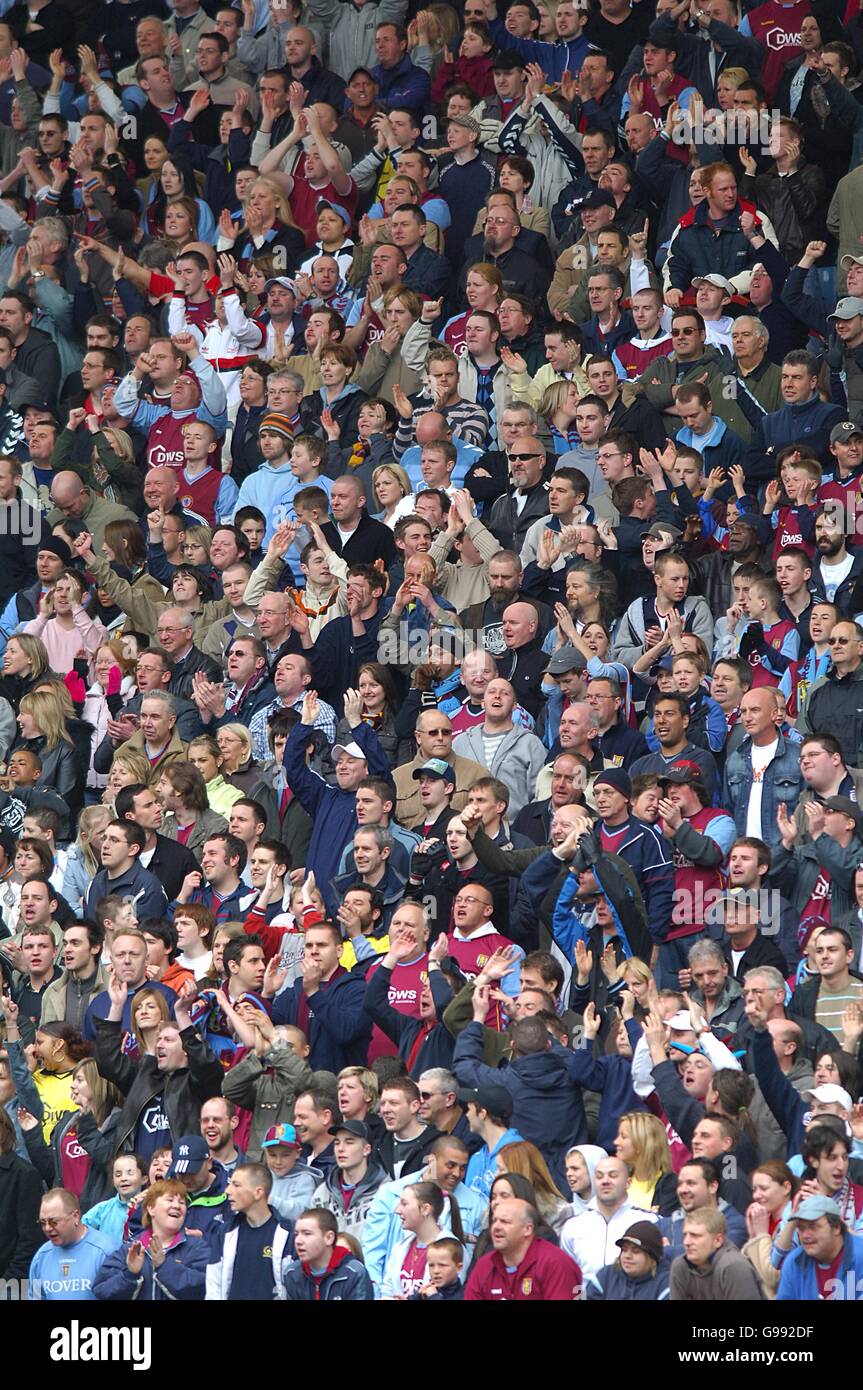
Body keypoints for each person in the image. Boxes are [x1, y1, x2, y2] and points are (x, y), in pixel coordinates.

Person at [464, 1197, 582, 1300]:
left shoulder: (555, 1263)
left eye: (505, 1221)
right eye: (494, 1221)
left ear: (527, 1229)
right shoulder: (485, 1265)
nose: (496, 1227)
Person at [205, 1164, 292, 1300]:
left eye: (236, 1185)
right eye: (229, 1184)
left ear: (258, 1192)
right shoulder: (225, 1232)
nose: (228, 1191)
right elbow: (214, 1285)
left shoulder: (288, 1235)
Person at [30, 1188, 115, 1300]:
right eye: (43, 1223)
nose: (47, 1228)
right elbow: (36, 1297)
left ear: (75, 1216)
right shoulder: (41, 1257)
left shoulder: (106, 1251)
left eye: (53, 1221)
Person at [668, 1206, 765, 1300]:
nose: (687, 1242)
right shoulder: (681, 1266)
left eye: (695, 1236)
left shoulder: (733, 1266)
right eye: (685, 1235)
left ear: (718, 1240)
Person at [283, 1207, 374, 1299]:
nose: (298, 1241)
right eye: (296, 1234)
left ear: (329, 1238)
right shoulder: (292, 1273)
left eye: (307, 1234)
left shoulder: (354, 1273)